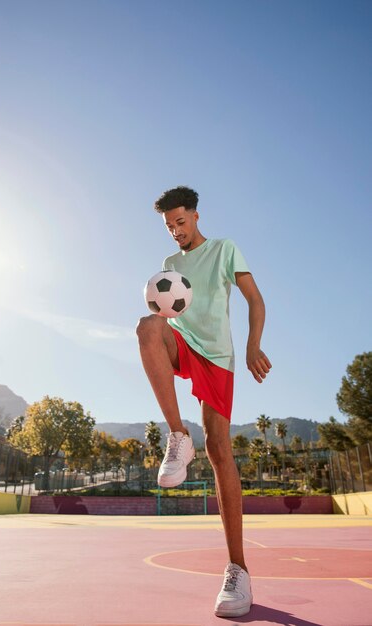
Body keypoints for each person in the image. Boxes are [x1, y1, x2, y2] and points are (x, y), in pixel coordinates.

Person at [136, 185, 272, 617]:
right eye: (168, 226)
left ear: (195, 216)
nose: (175, 231)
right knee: (148, 327)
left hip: (219, 356)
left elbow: (254, 299)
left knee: (219, 450)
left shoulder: (224, 249)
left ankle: (238, 570)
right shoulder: (170, 266)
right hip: (183, 341)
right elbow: (165, 310)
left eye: (180, 221)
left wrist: (253, 345)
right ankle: (177, 435)